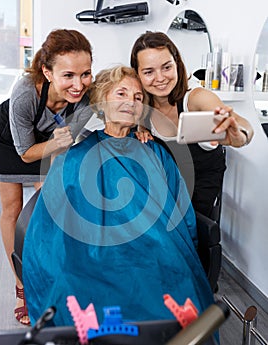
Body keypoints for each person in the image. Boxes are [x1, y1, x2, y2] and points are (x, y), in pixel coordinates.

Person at [22, 65, 215, 329]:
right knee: (75, 287)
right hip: (90, 253)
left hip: (155, 249)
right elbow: (50, 225)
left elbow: (180, 212)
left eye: (137, 98)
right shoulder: (76, 155)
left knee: (175, 283)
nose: (131, 102)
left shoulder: (155, 152)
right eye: (121, 93)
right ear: (101, 103)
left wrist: (185, 251)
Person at [0, 29, 95, 326]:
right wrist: (58, 146)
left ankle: (55, 279)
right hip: (8, 144)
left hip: (48, 144)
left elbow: (64, 141)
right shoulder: (24, 93)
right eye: (68, 75)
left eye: (85, 74)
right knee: (13, 210)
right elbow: (26, 153)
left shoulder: (86, 95)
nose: (78, 84)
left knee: (54, 207)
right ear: (47, 71)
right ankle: (21, 286)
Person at [130, 31, 254, 218]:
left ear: (177, 65)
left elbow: (244, 126)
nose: (161, 77)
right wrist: (141, 133)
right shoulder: (143, 109)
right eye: (149, 72)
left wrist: (239, 137)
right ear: (138, 75)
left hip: (200, 200)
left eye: (166, 67)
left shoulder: (196, 98)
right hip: (168, 194)